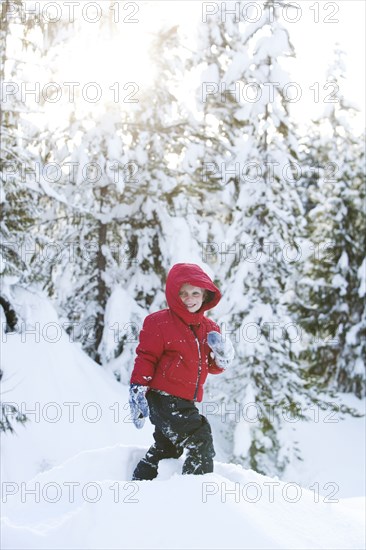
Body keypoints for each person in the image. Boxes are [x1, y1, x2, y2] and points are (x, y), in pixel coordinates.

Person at [129, 262, 235, 480]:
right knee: (200, 437)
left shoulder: (210, 329)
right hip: (163, 398)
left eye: (195, 293)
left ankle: (140, 484)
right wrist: (138, 387)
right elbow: (146, 357)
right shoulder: (159, 322)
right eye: (183, 293)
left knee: (168, 448)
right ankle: (195, 491)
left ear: (205, 295)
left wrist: (221, 358)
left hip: (185, 401)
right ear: (174, 295)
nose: (189, 299)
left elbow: (210, 367)